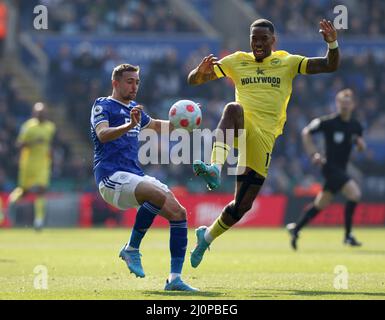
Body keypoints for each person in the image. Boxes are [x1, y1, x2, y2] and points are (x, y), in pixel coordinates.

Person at [187, 18, 340, 268]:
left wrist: (332, 43)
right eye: (254, 39)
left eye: (263, 39)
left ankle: (205, 237)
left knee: (242, 205)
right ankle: (215, 167)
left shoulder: (287, 62)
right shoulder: (236, 61)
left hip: (264, 138)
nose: (258, 43)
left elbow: (328, 65)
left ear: (273, 40)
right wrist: (199, 72)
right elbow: (194, 81)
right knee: (233, 108)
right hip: (242, 126)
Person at [90, 63, 198, 291]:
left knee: (178, 213)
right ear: (115, 83)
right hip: (111, 177)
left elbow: (157, 125)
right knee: (156, 194)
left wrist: (183, 124)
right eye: (130, 81)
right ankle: (131, 248)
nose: (134, 86)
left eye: (137, 82)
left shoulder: (135, 109)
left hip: (134, 176)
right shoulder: (103, 105)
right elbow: (103, 134)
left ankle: (175, 279)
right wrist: (130, 124)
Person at [287, 89, 366, 249]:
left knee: (321, 204)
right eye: (342, 103)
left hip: (341, 169)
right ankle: (348, 235)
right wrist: (313, 153)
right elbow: (306, 132)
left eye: (347, 103)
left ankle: (296, 228)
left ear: (353, 105)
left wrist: (360, 145)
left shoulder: (356, 126)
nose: (344, 106)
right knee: (355, 194)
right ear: (337, 103)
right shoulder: (329, 122)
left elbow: (360, 147)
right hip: (329, 167)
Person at [8, 102, 56, 230]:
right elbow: (19, 144)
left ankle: (39, 221)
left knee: (41, 190)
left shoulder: (50, 127)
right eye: (39, 113)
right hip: (28, 163)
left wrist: (52, 158)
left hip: (43, 164)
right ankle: (9, 205)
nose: (42, 115)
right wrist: (33, 142)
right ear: (34, 113)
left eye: (43, 113)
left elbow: (50, 145)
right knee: (24, 191)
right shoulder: (28, 127)